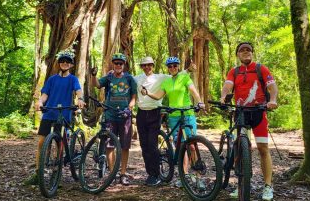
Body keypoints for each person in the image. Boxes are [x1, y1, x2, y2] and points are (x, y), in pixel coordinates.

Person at [220, 42, 278, 201]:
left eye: (248, 50)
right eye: (242, 50)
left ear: (252, 53)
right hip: (241, 113)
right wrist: (223, 96)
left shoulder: (261, 69)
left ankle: (267, 186)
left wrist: (272, 100)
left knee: (263, 148)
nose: (245, 52)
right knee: (240, 146)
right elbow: (228, 85)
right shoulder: (234, 71)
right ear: (238, 55)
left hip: (259, 112)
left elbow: (272, 87)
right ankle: (241, 184)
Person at [24, 50, 85, 186]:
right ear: (59, 63)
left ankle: (56, 173)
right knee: (41, 142)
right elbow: (45, 94)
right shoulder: (52, 79)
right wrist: (40, 102)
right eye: (62, 61)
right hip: (49, 113)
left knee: (60, 144)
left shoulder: (73, 79)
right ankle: (38, 172)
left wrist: (80, 99)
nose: (65, 63)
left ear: (71, 65)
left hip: (64, 115)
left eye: (67, 62)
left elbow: (78, 91)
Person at [141, 56, 205, 185]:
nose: (172, 68)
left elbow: (193, 91)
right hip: (174, 116)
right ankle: (185, 176)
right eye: (170, 66)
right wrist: (147, 93)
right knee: (181, 147)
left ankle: (198, 178)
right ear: (167, 68)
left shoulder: (184, 77)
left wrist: (200, 102)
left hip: (187, 114)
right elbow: (158, 96)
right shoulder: (167, 82)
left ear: (178, 66)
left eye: (175, 65)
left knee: (192, 145)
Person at [91, 53, 137, 186]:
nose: (118, 65)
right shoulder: (109, 77)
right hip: (110, 116)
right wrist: (93, 75)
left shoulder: (129, 78)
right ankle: (112, 174)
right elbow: (97, 85)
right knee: (110, 146)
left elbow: (134, 96)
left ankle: (122, 174)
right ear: (113, 64)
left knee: (124, 146)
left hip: (125, 116)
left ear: (123, 65)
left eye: (120, 63)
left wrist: (129, 108)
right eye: (116, 63)